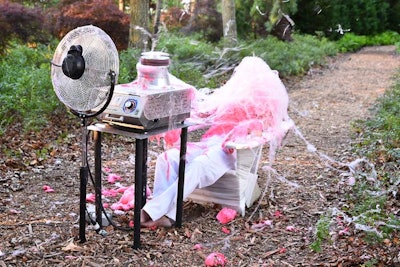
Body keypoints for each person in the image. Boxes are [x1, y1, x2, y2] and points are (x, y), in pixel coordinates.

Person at [141, 56, 292, 227]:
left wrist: (245, 131)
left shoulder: (264, 108)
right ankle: (167, 214)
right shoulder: (231, 100)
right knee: (168, 158)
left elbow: (260, 133)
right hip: (209, 143)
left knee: (198, 165)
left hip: (231, 150)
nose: (245, 83)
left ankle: (151, 212)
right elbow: (207, 113)